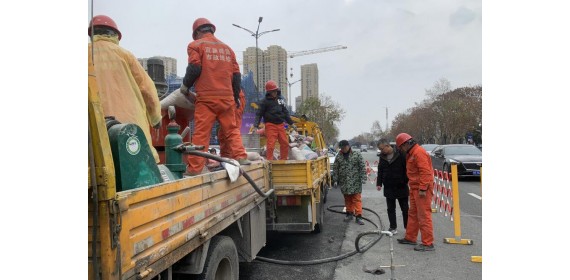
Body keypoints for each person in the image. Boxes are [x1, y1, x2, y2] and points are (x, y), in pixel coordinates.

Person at [179, 18, 251, 175]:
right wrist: (234, 96)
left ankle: (194, 169)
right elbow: (236, 75)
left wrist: (185, 86)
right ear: (211, 30)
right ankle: (241, 156)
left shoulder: (195, 45)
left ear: (197, 32)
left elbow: (194, 68)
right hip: (227, 98)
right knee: (231, 130)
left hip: (206, 99)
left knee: (201, 134)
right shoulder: (228, 49)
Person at [88, 15, 162, 163]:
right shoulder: (125, 55)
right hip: (130, 126)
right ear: (115, 35)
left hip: (93, 129)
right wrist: (156, 119)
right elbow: (147, 89)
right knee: (136, 164)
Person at [395, 133, 435, 252]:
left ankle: (428, 243)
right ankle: (410, 237)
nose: (401, 150)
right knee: (413, 213)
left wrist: (423, 188)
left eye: (401, 147)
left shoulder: (418, 152)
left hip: (421, 189)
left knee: (423, 216)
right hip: (414, 188)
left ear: (406, 144)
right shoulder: (412, 153)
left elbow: (425, 172)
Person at [253, 80, 295, 160]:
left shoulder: (280, 100)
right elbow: (259, 114)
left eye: (275, 90)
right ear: (269, 92)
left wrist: (291, 123)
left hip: (280, 125)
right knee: (271, 144)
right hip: (270, 125)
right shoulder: (264, 102)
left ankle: (283, 160)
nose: (275, 92)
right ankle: (269, 162)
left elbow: (285, 112)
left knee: (285, 143)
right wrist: (255, 126)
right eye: (273, 91)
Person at [376, 138, 409, 235]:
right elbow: (380, 170)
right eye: (380, 149)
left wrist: (405, 180)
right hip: (388, 186)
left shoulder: (400, 153)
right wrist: (379, 183)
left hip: (401, 186)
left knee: (405, 209)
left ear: (387, 146)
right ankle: (393, 227)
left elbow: (407, 168)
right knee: (390, 208)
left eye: (382, 149)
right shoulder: (382, 157)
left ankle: (408, 227)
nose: (381, 151)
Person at [332, 140, 367, 225]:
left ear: (348, 146)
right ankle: (349, 214)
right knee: (347, 199)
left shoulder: (356, 154)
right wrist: (335, 180)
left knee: (356, 199)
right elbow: (336, 168)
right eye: (341, 148)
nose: (343, 149)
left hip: (355, 181)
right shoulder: (339, 156)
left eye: (344, 147)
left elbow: (362, 166)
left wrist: (363, 177)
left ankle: (358, 216)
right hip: (344, 182)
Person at [218, 89, 245, 158]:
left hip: (231, 96)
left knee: (231, 128)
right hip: (224, 95)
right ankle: (226, 156)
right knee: (225, 130)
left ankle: (236, 156)